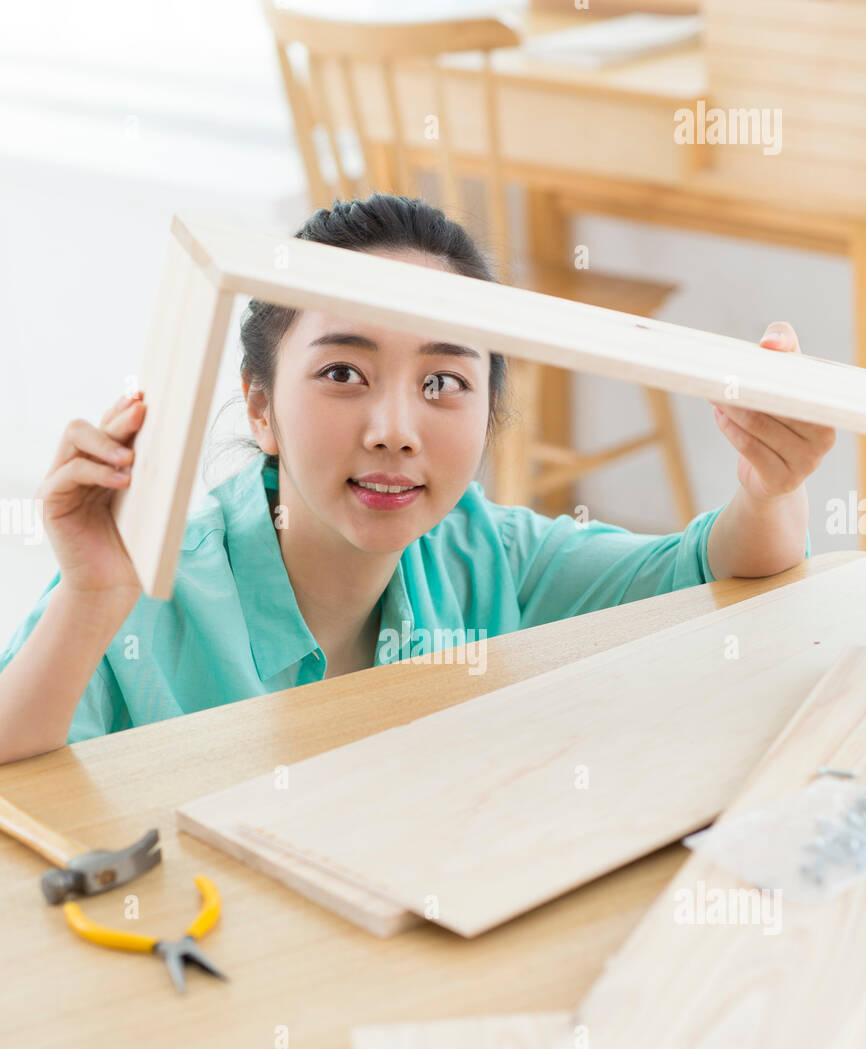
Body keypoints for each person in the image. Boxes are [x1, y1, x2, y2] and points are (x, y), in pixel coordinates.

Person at [0, 193, 832, 765]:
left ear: (488, 411)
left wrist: (769, 485)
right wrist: (90, 597)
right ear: (260, 407)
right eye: (343, 374)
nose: (395, 430)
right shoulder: (146, 575)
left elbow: (715, 573)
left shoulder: (491, 552)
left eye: (442, 384)